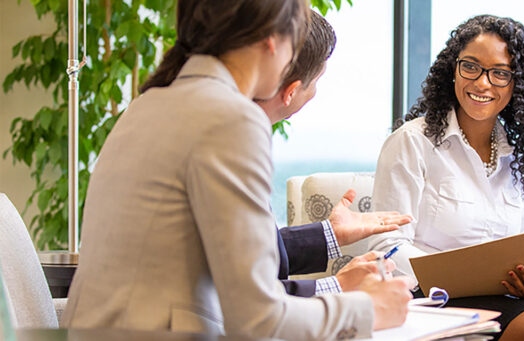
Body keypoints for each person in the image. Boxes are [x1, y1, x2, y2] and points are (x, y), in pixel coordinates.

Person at [63, 1, 411, 339]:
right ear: (273, 39)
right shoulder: (229, 118)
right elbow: (259, 321)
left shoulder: (146, 106)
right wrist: (367, 309)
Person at [368, 14, 524, 340]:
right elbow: (385, 247)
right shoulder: (411, 143)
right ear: (452, 69)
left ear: (518, 85)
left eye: (500, 73)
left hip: (505, 301)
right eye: (470, 66)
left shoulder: (519, 160)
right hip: (433, 301)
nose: (482, 83)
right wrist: (461, 272)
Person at [254, 10, 409, 298]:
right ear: (291, 91)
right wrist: (338, 285)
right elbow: (250, 298)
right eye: (317, 81)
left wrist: (330, 234)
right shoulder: (236, 150)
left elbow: (251, 251)